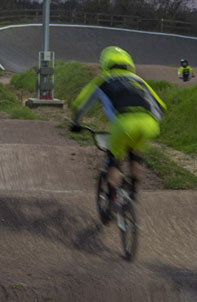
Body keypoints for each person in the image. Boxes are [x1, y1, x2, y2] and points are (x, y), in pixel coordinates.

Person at [70, 46, 166, 210]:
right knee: (135, 154)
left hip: (123, 124)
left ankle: (114, 199)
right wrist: (150, 121)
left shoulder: (102, 80)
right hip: (148, 123)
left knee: (115, 159)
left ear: (105, 64)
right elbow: (161, 106)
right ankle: (134, 190)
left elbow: (81, 104)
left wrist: (76, 123)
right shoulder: (138, 80)